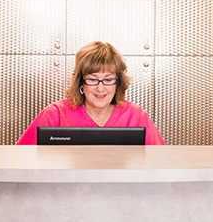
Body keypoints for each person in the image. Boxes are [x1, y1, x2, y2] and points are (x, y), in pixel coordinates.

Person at [16, 41, 166, 145]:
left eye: (108, 80)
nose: (100, 89)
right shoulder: (55, 115)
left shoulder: (135, 116)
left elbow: (161, 161)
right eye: (93, 79)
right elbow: (20, 159)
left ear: (117, 83)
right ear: (81, 82)